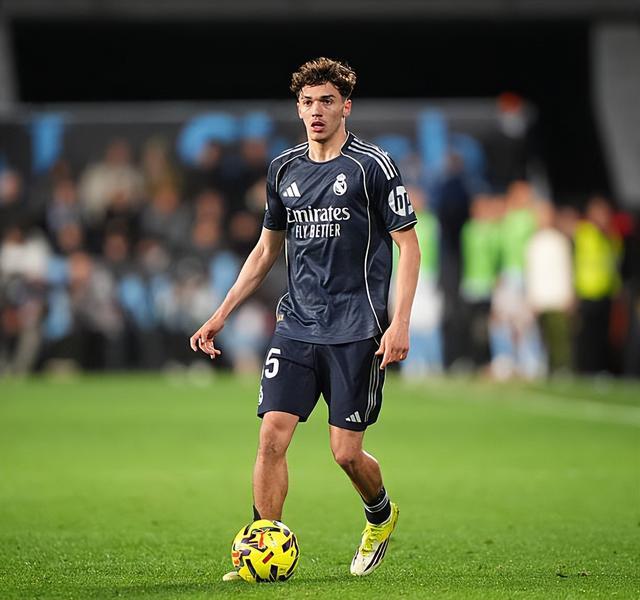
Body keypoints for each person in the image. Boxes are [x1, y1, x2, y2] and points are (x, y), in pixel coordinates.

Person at [189, 57, 420, 579]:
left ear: (346, 107)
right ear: (298, 108)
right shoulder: (283, 169)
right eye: (308, 102)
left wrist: (400, 322)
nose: (317, 111)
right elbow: (265, 251)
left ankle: (380, 514)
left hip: (357, 328)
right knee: (272, 435)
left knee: (345, 454)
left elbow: (409, 246)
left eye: (327, 101)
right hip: (296, 324)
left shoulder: (373, 166)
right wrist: (221, 313)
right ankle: (260, 549)